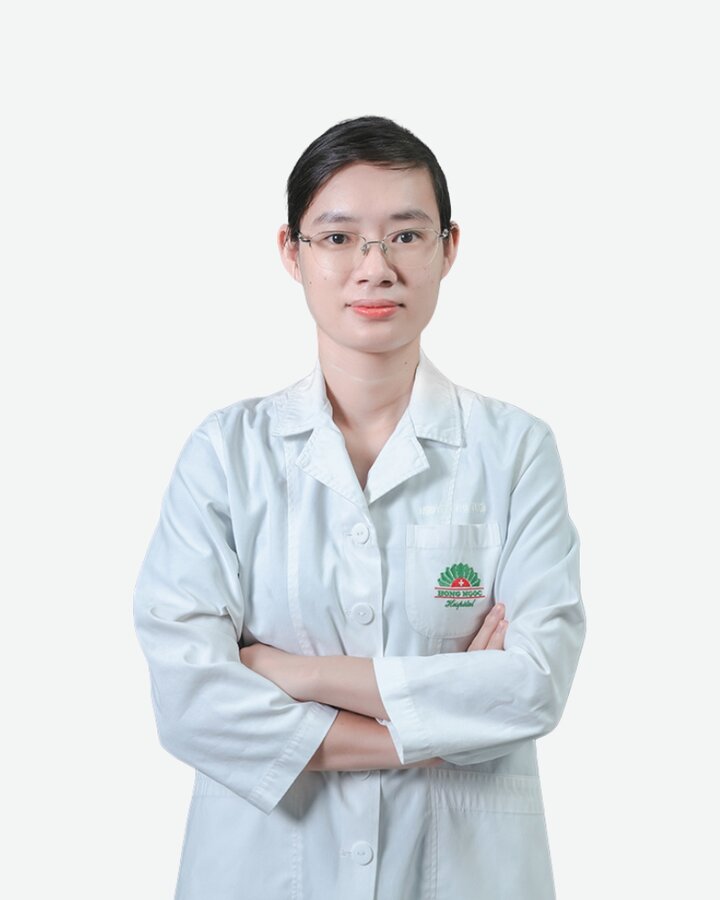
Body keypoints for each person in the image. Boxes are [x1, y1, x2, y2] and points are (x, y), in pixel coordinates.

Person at [133, 115, 586, 900]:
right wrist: (438, 727)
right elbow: (192, 702)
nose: (374, 268)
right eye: (339, 238)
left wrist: (294, 673)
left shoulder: (514, 451)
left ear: (448, 248)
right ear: (292, 252)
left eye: (405, 236)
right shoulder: (226, 454)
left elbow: (533, 684)